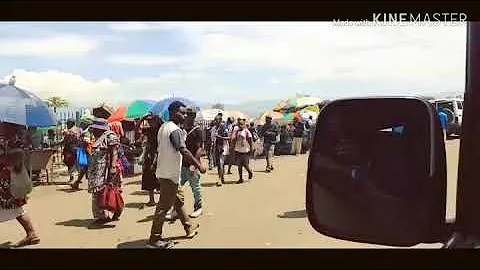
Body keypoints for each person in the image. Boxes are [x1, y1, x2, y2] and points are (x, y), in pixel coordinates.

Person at [147, 101, 207, 249]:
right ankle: (154, 239)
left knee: (178, 201)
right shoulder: (174, 130)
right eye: (182, 112)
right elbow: (184, 150)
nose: (185, 115)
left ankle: (189, 228)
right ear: (173, 112)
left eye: (186, 113)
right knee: (163, 207)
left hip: (166, 172)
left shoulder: (164, 127)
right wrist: (198, 165)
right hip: (170, 174)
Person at [0, 122, 40, 247]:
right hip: (14, 178)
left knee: (16, 208)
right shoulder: (21, 138)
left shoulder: (5, 140)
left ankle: (31, 233)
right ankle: (31, 233)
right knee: (17, 208)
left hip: (6, 179)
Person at [87, 119, 123, 225]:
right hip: (97, 171)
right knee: (100, 192)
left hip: (106, 170)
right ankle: (104, 214)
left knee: (108, 192)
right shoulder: (98, 138)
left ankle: (108, 214)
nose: (93, 130)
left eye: (94, 128)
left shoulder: (110, 137)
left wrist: (112, 167)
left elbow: (114, 152)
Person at [180, 108, 205, 218]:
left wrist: (194, 164)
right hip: (182, 164)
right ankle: (177, 209)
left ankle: (198, 207)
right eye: (185, 114)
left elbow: (200, 149)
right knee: (176, 187)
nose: (185, 116)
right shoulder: (182, 129)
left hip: (192, 164)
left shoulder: (197, 130)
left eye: (188, 115)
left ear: (193, 116)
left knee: (195, 187)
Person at [141, 114, 162, 206]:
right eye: (149, 121)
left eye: (151, 120)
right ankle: (151, 199)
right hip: (149, 155)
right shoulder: (148, 130)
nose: (149, 122)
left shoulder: (161, 131)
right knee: (149, 178)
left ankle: (162, 200)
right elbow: (138, 128)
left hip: (158, 155)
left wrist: (155, 159)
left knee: (160, 179)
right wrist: (142, 119)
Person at [71, 122, 93, 190]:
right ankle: (78, 183)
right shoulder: (87, 133)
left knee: (86, 169)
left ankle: (77, 183)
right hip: (88, 153)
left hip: (88, 153)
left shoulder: (86, 133)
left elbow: (86, 143)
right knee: (87, 169)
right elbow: (86, 144)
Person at [232, 119, 254, 184]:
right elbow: (233, 139)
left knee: (245, 165)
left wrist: (251, 148)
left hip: (245, 151)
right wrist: (233, 147)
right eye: (239, 124)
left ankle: (249, 171)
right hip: (238, 150)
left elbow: (250, 140)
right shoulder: (236, 131)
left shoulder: (246, 131)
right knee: (239, 165)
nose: (240, 125)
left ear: (244, 125)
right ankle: (240, 178)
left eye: (242, 124)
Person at [211, 114, 230, 186]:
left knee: (221, 163)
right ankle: (222, 178)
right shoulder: (214, 128)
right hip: (216, 147)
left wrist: (220, 137)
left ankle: (219, 179)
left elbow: (228, 137)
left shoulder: (223, 127)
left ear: (220, 120)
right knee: (219, 164)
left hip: (223, 147)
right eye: (215, 120)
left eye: (217, 120)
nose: (215, 121)